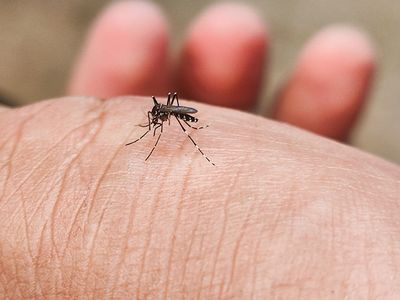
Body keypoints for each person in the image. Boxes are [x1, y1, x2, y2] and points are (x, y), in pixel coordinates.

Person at [0, 1, 398, 298]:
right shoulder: (158, 107)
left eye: (154, 117)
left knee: (171, 99)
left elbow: (163, 116)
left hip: (184, 112)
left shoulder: (164, 111)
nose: (154, 119)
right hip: (178, 108)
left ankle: (194, 141)